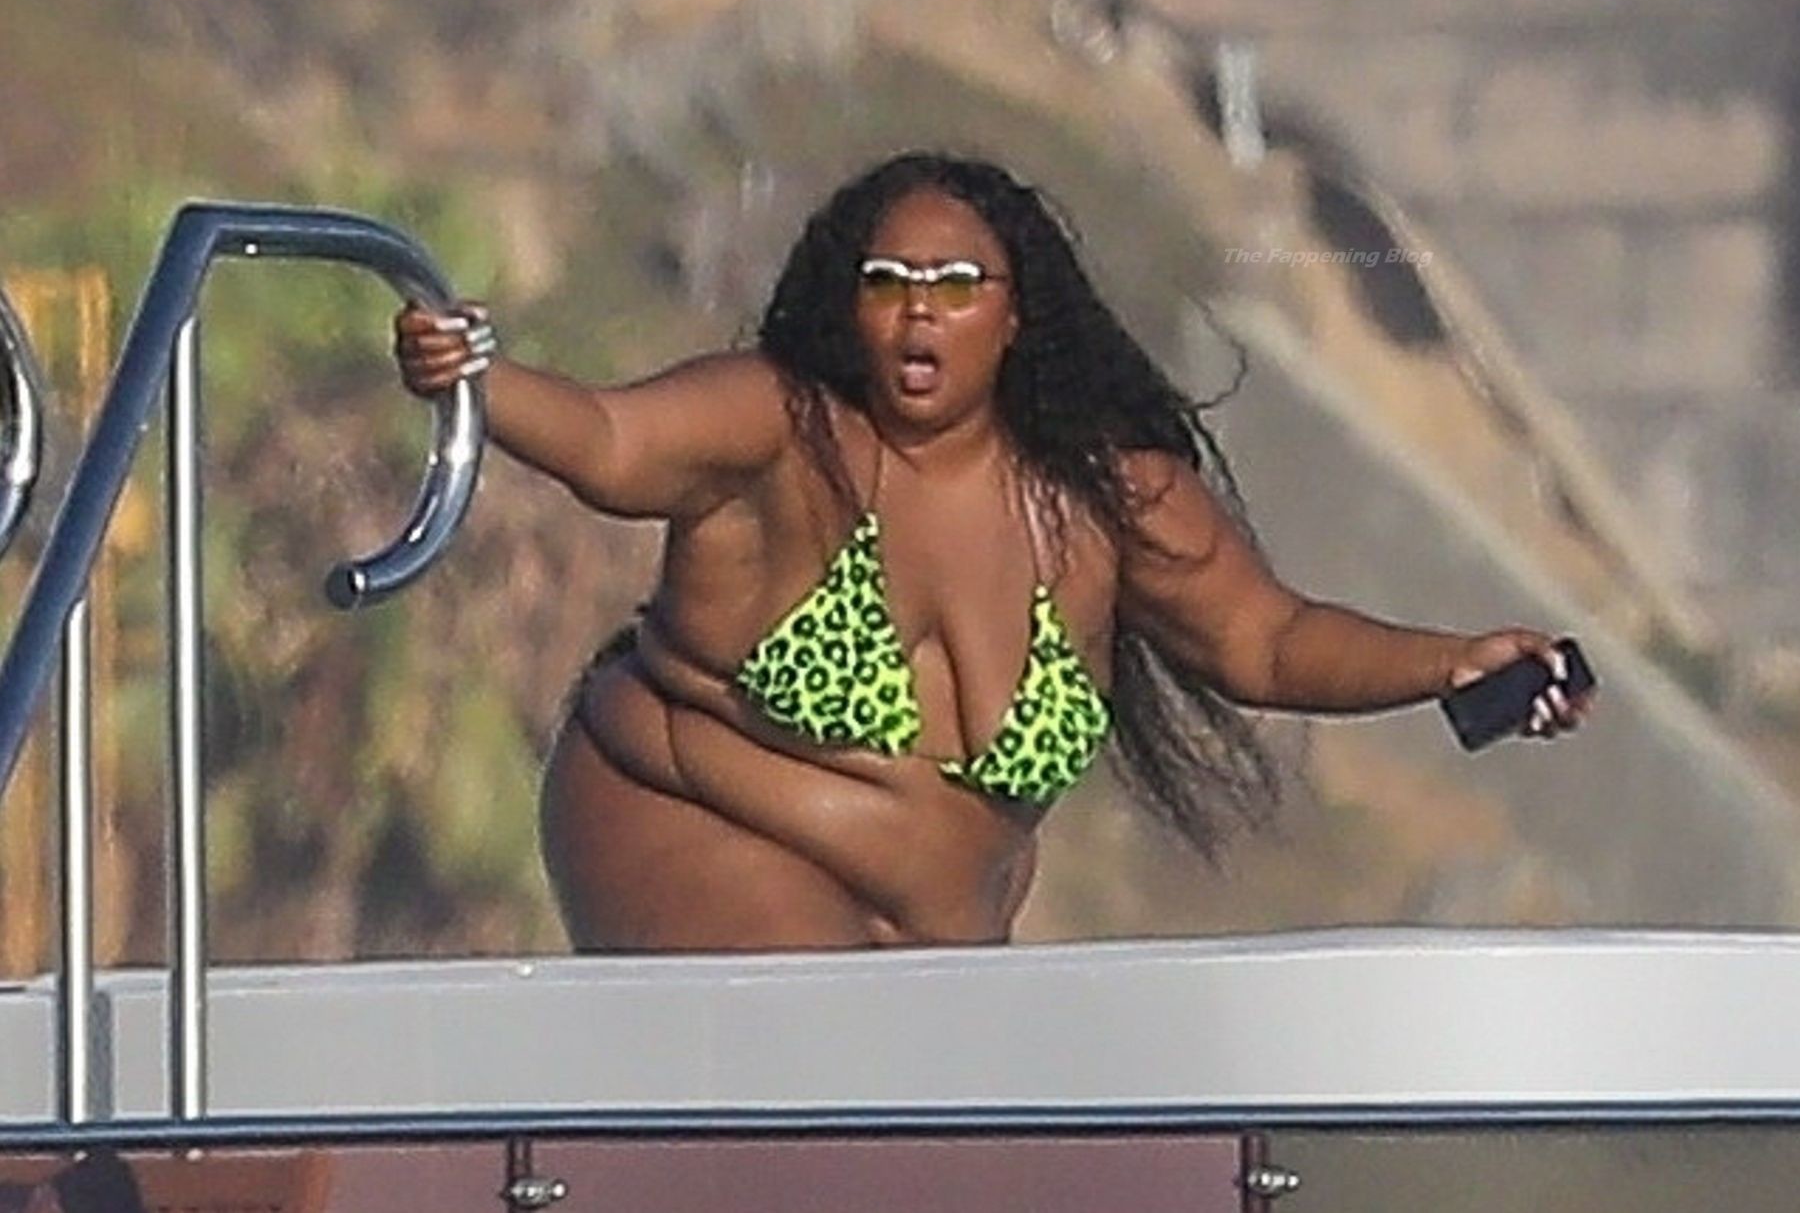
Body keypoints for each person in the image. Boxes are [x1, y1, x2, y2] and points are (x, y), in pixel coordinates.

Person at [394, 152, 1590, 952]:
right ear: (852, 308)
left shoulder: (1109, 499)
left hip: (934, 930)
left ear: (1016, 315)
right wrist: (475, 375)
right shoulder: (782, 427)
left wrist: (1447, 662)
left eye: (958, 283)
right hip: (693, 816)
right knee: (838, 1093)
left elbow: (1265, 639)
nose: (920, 309)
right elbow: (608, 440)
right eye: (889, 282)